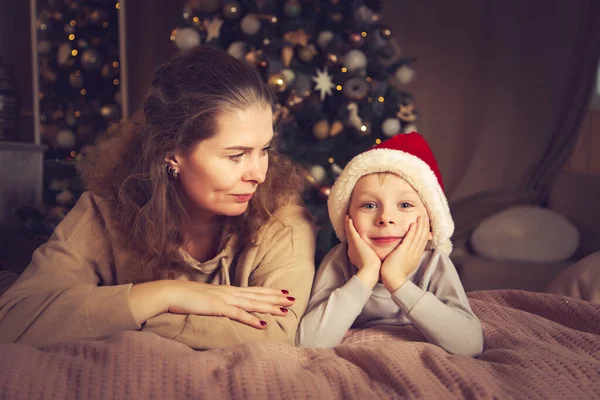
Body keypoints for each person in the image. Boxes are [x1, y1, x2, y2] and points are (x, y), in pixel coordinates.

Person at [0, 46, 316, 350]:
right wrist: (165, 294)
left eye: (264, 150)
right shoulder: (105, 211)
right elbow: (12, 321)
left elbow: (273, 333)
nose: (259, 174)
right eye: (236, 155)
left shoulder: (283, 217)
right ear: (172, 153)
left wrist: (120, 314)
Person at [296, 132, 483, 356]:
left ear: (432, 221)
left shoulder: (434, 262)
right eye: (369, 205)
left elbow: (469, 345)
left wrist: (396, 281)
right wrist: (366, 274)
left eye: (404, 204)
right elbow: (309, 342)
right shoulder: (339, 261)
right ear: (347, 219)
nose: (385, 217)